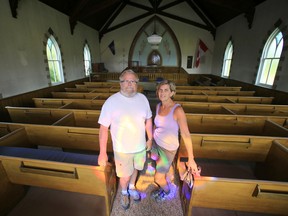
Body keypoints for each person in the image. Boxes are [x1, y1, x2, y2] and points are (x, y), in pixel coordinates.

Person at [98, 69, 153, 210]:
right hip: (122, 149)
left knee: (136, 169)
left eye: (133, 81)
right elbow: (103, 128)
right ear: (120, 83)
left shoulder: (143, 99)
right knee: (125, 175)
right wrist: (102, 152)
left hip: (140, 147)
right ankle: (124, 192)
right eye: (127, 81)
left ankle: (132, 187)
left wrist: (150, 138)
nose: (130, 84)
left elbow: (148, 119)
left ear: (137, 83)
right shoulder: (111, 102)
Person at [150, 80, 199, 202]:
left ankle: (167, 191)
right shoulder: (158, 106)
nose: (162, 93)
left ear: (172, 93)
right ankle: (167, 174)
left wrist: (191, 159)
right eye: (160, 90)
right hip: (156, 142)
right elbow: (156, 125)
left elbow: (186, 135)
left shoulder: (177, 110)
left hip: (168, 149)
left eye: (166, 90)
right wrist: (151, 139)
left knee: (157, 177)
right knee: (155, 160)